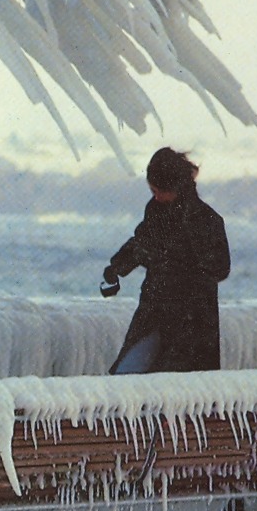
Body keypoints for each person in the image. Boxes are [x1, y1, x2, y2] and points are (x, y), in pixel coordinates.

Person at [100, 147, 230, 374]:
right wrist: (116, 268)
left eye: (160, 191)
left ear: (176, 187)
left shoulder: (208, 220)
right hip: (155, 310)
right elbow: (142, 243)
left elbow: (220, 269)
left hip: (191, 322)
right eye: (153, 191)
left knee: (178, 389)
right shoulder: (155, 210)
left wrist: (179, 263)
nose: (157, 197)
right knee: (126, 373)